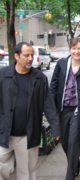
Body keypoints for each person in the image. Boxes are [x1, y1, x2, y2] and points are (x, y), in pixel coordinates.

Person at [0, 42, 61, 180]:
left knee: (26, 172)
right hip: (4, 132)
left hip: (28, 134)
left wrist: (56, 128)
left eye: (32, 55)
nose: (30, 58)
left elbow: (49, 105)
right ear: (16, 56)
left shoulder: (39, 78)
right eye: (26, 55)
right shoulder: (3, 74)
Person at [50, 37, 80, 180]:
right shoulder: (61, 64)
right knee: (64, 142)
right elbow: (53, 87)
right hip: (63, 109)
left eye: (79, 48)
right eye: (74, 48)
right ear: (70, 49)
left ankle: (69, 175)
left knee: (73, 141)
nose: (77, 51)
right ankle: (75, 163)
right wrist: (51, 109)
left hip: (79, 110)